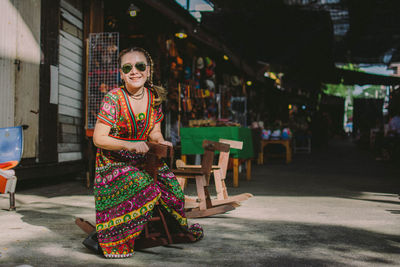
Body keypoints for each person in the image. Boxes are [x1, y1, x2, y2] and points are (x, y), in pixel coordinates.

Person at [91, 47, 203, 258]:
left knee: (173, 189)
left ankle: (161, 229)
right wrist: (128, 144)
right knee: (142, 186)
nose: (134, 71)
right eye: (128, 67)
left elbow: (154, 133)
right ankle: (116, 238)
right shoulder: (113, 99)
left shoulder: (154, 99)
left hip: (144, 159)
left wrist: (161, 142)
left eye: (140, 66)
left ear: (149, 71)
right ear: (121, 73)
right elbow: (99, 139)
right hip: (113, 163)